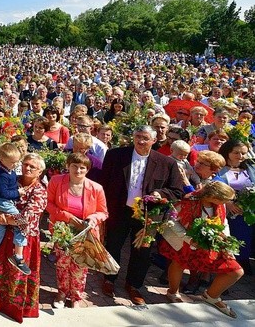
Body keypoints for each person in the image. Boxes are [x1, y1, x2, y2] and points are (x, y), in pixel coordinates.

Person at [98, 125, 184, 305]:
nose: (140, 141)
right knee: (113, 245)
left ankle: (134, 285)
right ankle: (109, 279)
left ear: (154, 140)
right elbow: (103, 183)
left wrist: (161, 194)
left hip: (148, 216)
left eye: (145, 138)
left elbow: (176, 190)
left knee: (142, 252)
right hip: (119, 210)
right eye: (138, 136)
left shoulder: (166, 163)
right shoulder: (116, 155)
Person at [159, 182, 244, 318]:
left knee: (236, 271)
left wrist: (226, 240)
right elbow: (171, 220)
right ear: (213, 196)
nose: (227, 203)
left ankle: (211, 296)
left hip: (212, 242)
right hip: (186, 240)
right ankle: (172, 292)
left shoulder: (219, 204)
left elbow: (223, 222)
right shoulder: (188, 201)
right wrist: (189, 239)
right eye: (225, 200)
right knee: (179, 263)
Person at [0, 153, 48, 319]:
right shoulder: (13, 180)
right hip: (4, 235)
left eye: (32, 167)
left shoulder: (40, 191)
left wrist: (4, 218)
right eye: (25, 164)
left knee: (16, 274)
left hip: (23, 240)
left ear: (40, 171)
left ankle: (15, 309)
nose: (27, 168)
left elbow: (28, 218)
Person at [46, 153, 108, 308]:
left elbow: (103, 212)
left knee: (80, 267)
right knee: (62, 264)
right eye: (74, 166)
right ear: (68, 166)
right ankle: (61, 293)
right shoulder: (56, 181)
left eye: (82, 167)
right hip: (63, 231)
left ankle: (76, 297)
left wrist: (92, 219)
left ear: (87, 170)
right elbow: (48, 204)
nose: (78, 170)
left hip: (84, 233)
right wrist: (67, 216)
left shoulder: (96, 188)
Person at [0, 143, 31, 275]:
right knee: (22, 223)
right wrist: (18, 193)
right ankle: (18, 255)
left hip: (6, 201)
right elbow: (4, 193)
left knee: (0, 226)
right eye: (13, 162)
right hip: (3, 202)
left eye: (17, 162)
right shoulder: (1, 175)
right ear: (3, 160)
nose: (15, 165)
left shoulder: (7, 170)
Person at [217, 139, 255, 275]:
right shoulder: (220, 169)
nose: (240, 156)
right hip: (227, 209)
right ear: (227, 152)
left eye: (243, 153)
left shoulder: (250, 168)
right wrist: (228, 203)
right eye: (236, 153)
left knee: (244, 237)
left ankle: (241, 261)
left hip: (245, 211)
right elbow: (215, 186)